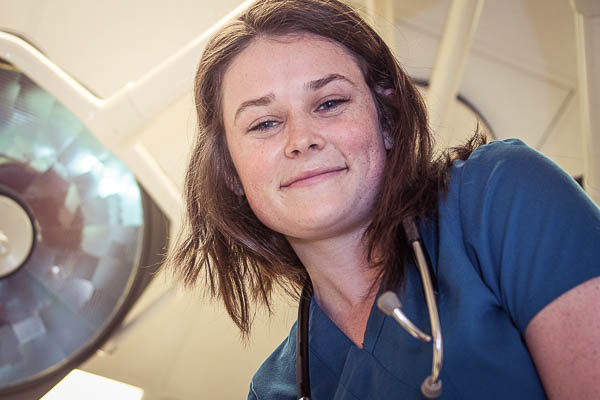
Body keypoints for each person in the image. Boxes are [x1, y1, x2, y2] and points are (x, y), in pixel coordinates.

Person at [168, 0, 600, 398]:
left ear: (387, 119)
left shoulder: (500, 196)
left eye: (330, 102)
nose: (301, 139)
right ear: (231, 173)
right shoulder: (274, 391)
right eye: (264, 124)